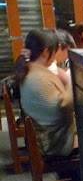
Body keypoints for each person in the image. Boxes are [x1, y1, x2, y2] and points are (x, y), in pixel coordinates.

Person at [15, 29, 77, 158]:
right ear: (45, 52)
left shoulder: (30, 69)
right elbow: (63, 109)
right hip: (56, 144)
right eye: (54, 52)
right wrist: (70, 82)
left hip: (46, 137)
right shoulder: (37, 78)